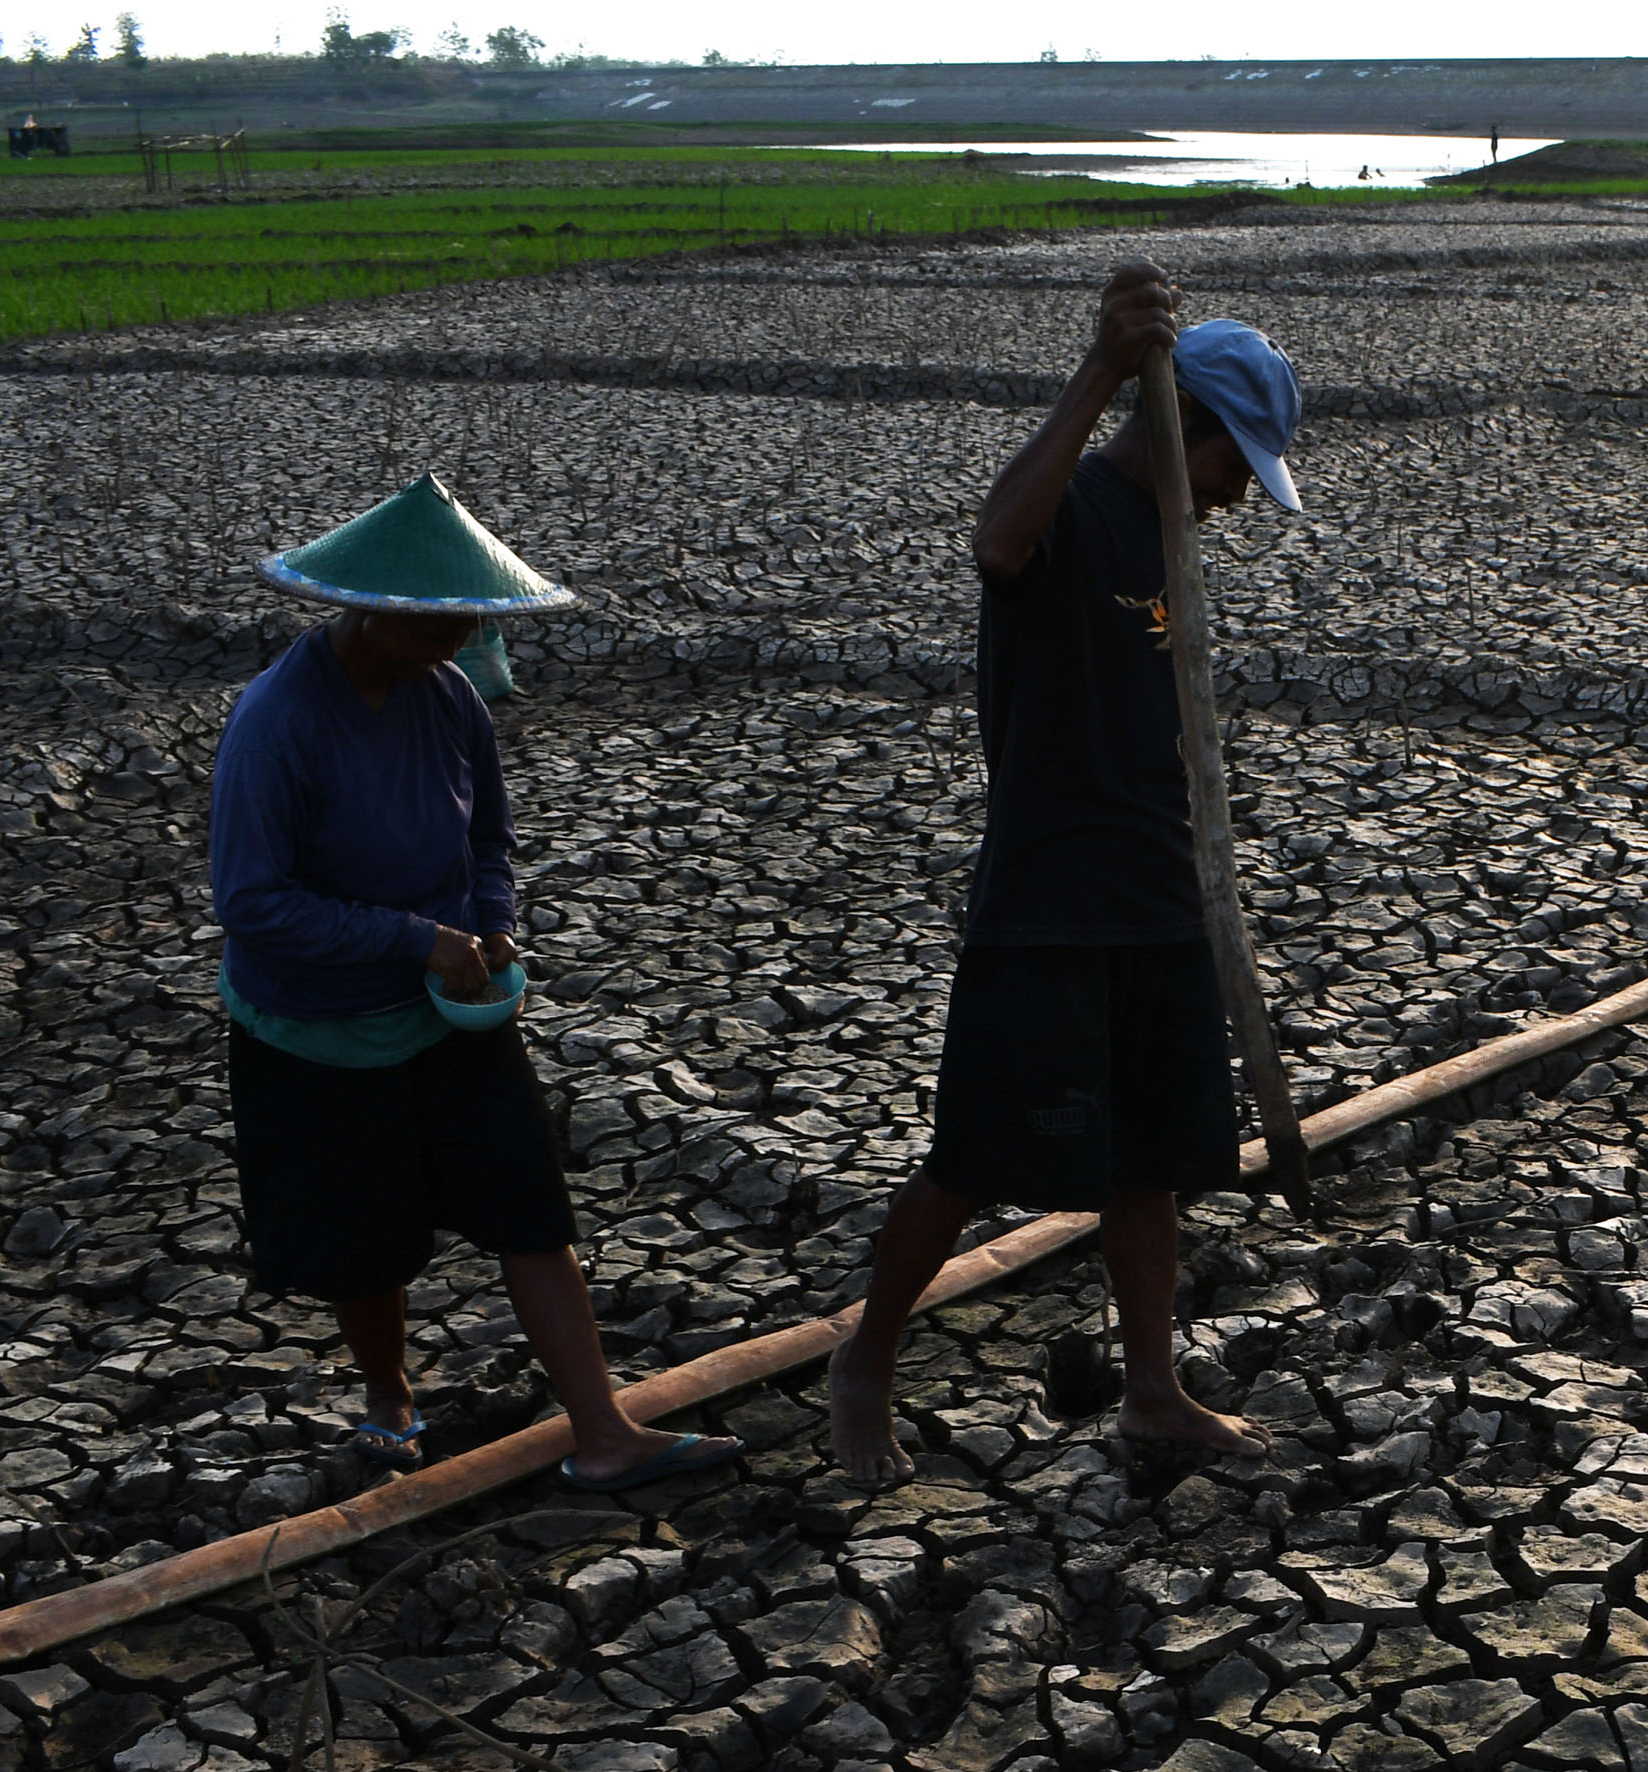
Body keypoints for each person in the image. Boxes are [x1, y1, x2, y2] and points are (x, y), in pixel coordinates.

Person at [827, 264, 1307, 1485]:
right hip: (1050, 899)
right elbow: (994, 539)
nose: (1239, 494)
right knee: (977, 1155)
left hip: (1162, 897)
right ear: (1169, 424)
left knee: (1148, 1160)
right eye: (1230, 460)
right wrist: (1099, 370)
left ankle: (1152, 1389)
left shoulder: (1172, 544)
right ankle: (866, 1362)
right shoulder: (1078, 508)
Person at [216, 476, 739, 1494]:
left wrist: (488, 923)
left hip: (452, 1007)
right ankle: (390, 1399)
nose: (464, 632)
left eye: (473, 613)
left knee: (528, 1207)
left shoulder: (449, 697)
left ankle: (602, 1427)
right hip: (318, 1029)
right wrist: (418, 939)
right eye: (445, 615)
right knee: (362, 1244)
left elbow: (489, 838)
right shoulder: (279, 722)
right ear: (375, 610)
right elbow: (253, 902)